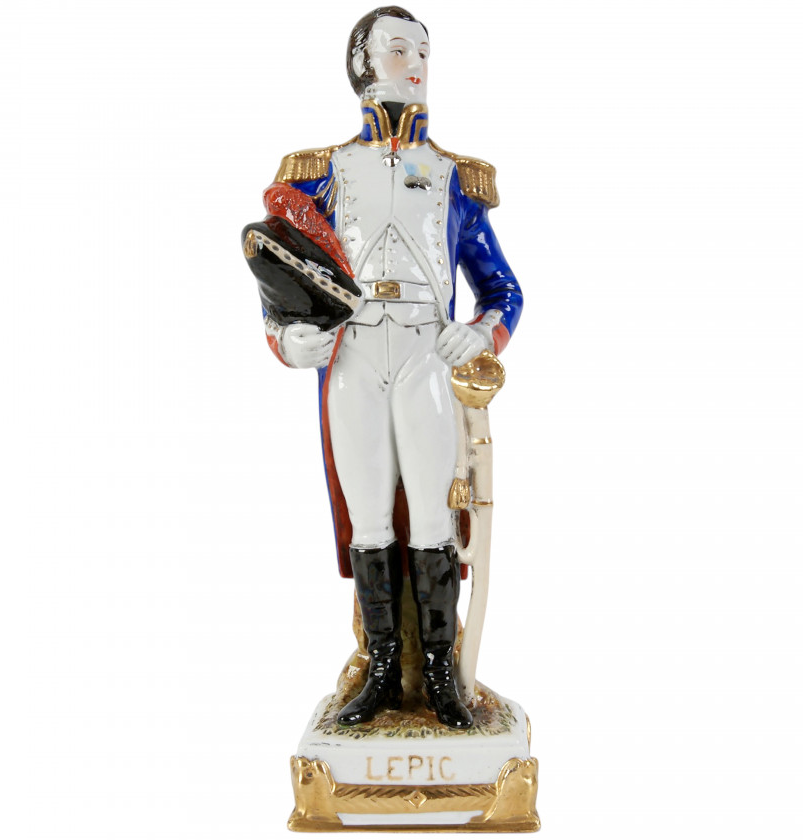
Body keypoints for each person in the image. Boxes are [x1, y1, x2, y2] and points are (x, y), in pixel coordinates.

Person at [257, 6, 522, 729]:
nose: (416, 64)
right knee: (368, 513)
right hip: (351, 355)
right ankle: (380, 669)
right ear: (363, 65)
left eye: (424, 52)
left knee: (435, 514)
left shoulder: (456, 177)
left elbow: (503, 290)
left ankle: (439, 674)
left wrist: (480, 332)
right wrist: (286, 337)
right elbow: (279, 272)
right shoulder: (321, 171)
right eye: (398, 49)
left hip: (424, 353)